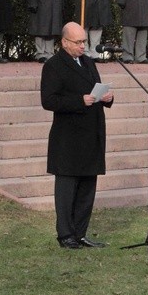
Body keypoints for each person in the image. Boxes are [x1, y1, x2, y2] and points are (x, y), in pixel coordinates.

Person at [40, 21, 114, 249]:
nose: (83, 46)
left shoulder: (89, 62)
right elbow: (48, 100)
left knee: (87, 186)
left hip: (92, 133)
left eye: (84, 41)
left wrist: (107, 98)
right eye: (78, 42)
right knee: (67, 187)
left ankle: (80, 232)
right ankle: (66, 234)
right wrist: (78, 101)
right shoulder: (53, 66)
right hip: (68, 137)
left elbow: (96, 87)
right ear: (64, 42)